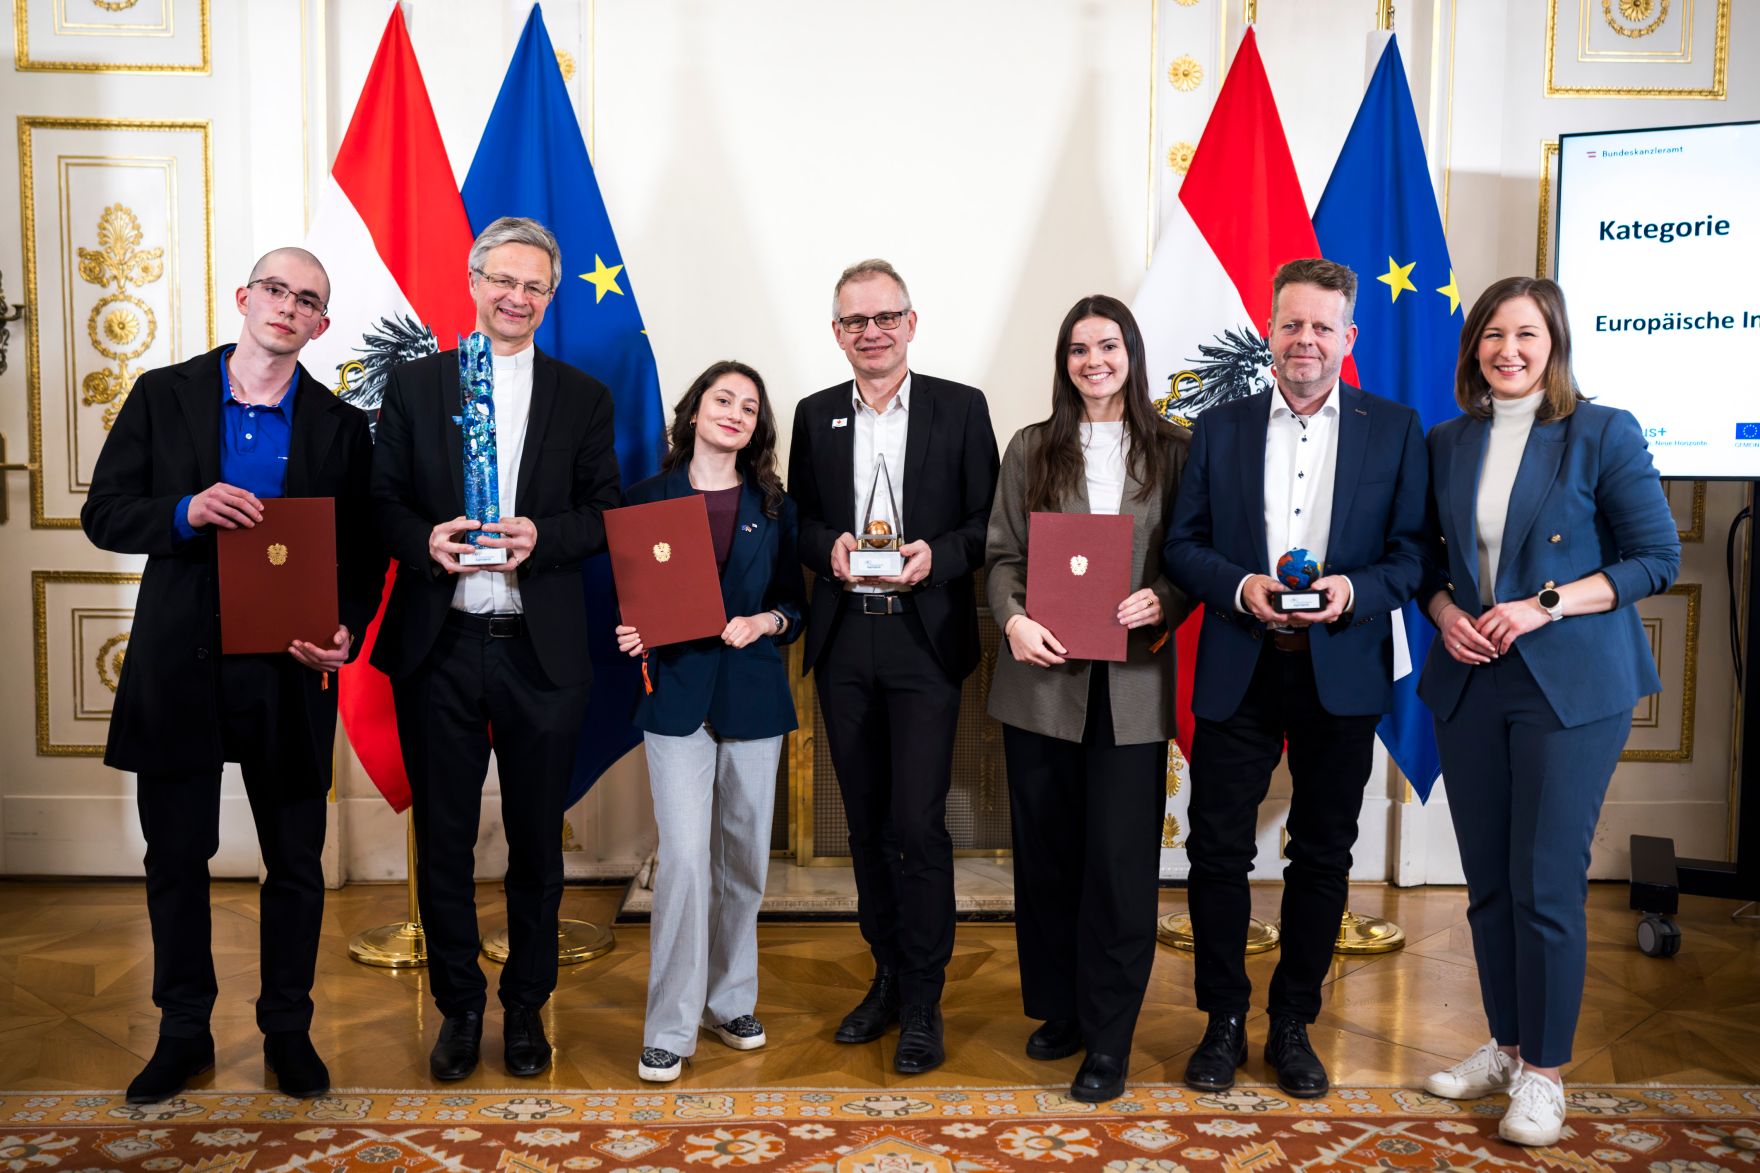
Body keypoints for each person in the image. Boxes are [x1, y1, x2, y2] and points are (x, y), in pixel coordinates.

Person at [81, 248, 384, 1103]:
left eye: (309, 301)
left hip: (289, 674)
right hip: (179, 666)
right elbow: (104, 512)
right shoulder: (162, 393)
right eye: (277, 290)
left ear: (321, 326)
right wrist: (185, 510)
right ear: (245, 298)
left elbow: (359, 553)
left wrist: (345, 630)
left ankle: (288, 1029)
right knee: (177, 856)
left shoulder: (339, 425)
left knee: (295, 861)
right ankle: (183, 1032)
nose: (289, 307)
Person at [1416, 277, 1677, 1145]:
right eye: (1493, 334)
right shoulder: (1449, 439)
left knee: (1548, 881)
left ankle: (1547, 1073)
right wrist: (1449, 616)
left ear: (1554, 344)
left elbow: (1655, 557)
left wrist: (1546, 603)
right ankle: (1507, 1041)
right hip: (1470, 680)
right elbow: (1422, 560)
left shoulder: (1604, 431)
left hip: (1570, 684)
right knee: (1489, 883)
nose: (1509, 349)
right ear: (1474, 349)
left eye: (1527, 333)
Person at [1162, 257, 1429, 1098]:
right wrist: (1242, 587)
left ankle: (1293, 1024)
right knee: (1216, 851)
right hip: (1242, 667)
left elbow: (1414, 555)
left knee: (1323, 854)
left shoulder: (1396, 428)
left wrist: (1354, 591)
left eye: (1321, 326)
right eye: (1291, 325)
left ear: (1348, 337)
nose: (1304, 340)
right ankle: (1223, 1021)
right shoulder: (1221, 426)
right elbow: (1184, 544)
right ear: (1269, 332)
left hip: (1342, 672)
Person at [370, 216, 622, 1082]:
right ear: (472, 280)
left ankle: (524, 1011)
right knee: (443, 841)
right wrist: (423, 541)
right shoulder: (416, 385)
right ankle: (459, 1010)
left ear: (550, 299)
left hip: (539, 651)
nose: (516, 297)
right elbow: (382, 503)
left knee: (534, 847)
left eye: (534, 287)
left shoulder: (583, 396)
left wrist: (539, 536)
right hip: (439, 645)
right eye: (501, 280)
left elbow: (603, 515)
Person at [787, 258, 999, 1074]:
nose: (870, 332)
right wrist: (826, 546)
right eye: (854, 321)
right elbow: (797, 520)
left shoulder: (961, 408)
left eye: (885, 317)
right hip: (846, 642)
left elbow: (988, 524)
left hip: (923, 637)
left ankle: (925, 996)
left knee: (918, 824)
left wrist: (934, 556)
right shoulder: (812, 416)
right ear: (836, 333)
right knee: (868, 824)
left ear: (912, 323)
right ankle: (883, 975)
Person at [984, 295, 1191, 1103]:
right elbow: (1001, 555)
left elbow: (1195, 554)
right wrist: (1014, 619)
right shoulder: (1032, 447)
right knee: (1048, 859)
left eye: (1108, 345)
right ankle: (1062, 1008)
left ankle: (1109, 1036)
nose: (1093, 360)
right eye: (1078, 348)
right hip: (1042, 681)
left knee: (1119, 863)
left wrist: (1165, 599)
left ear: (1132, 353)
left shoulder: (1176, 450)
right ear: (1064, 360)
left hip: (1133, 688)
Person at [615, 361, 805, 1083]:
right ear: (695, 412)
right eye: (722, 399)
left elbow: (795, 605)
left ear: (758, 427)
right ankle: (669, 1025)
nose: (734, 412)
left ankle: (730, 1001)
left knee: (744, 862)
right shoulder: (646, 500)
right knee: (688, 861)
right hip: (675, 701)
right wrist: (630, 631)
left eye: (749, 406)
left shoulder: (775, 506)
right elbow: (629, 602)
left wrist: (768, 619)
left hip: (754, 697)